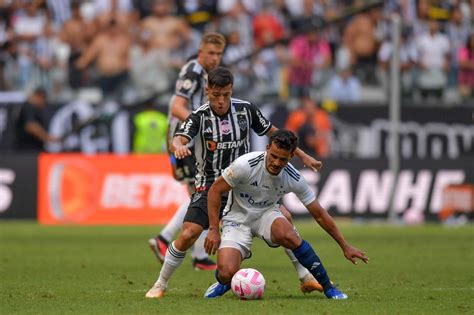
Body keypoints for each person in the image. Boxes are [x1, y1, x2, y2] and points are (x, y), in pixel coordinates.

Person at [145, 67, 323, 299]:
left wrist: (302, 155)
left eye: (226, 95)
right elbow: (180, 137)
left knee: (284, 219)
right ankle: (160, 284)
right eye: (215, 95)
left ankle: (305, 276)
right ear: (207, 91)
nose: (221, 101)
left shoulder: (246, 110)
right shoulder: (198, 116)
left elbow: (276, 134)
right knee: (189, 233)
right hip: (211, 185)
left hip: (246, 182)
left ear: (231, 91)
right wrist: (178, 145)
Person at [203, 130, 369, 299]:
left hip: (266, 214)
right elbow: (215, 191)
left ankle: (328, 288)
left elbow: (319, 214)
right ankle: (226, 281)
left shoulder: (293, 178)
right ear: (267, 148)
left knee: (288, 234)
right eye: (273, 156)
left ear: (291, 157)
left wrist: (344, 246)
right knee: (225, 272)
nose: (276, 162)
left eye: (282, 159)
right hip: (237, 219)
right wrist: (213, 228)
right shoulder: (245, 165)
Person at [148, 32, 227, 271]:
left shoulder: (203, 73)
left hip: (192, 141)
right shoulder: (193, 71)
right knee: (203, 194)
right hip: (185, 142)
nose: (215, 58)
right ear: (200, 51)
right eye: (211, 53)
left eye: (219, 54)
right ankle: (164, 239)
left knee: (202, 194)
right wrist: (201, 123)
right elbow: (176, 106)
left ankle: (199, 256)